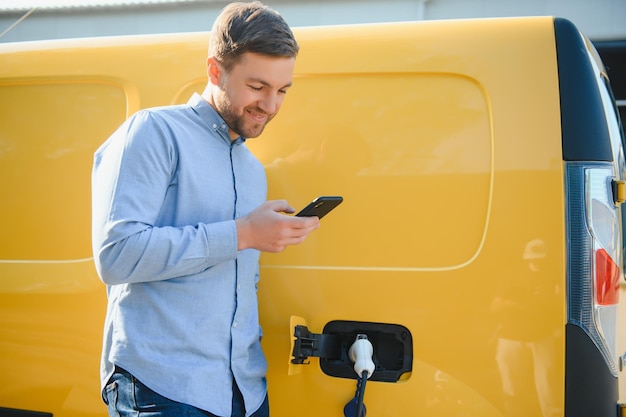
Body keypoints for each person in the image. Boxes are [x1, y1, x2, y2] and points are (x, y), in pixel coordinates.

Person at [91, 2, 319, 417]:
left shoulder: (252, 169)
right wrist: (243, 234)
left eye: (282, 90)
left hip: (244, 392)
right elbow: (116, 255)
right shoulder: (153, 132)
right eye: (258, 87)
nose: (271, 106)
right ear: (216, 71)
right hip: (163, 389)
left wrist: (262, 235)